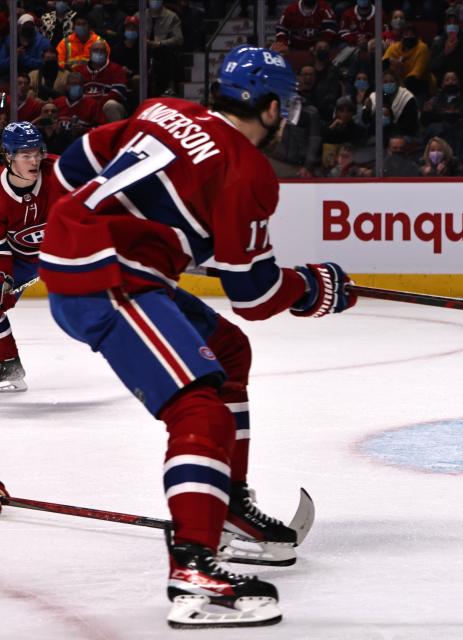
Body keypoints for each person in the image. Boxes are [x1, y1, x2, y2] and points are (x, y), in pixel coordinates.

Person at [38, 45, 356, 627]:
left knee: (229, 350)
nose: (284, 118)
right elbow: (255, 294)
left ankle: (227, 507)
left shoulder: (164, 109)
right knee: (201, 414)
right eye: (281, 106)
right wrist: (315, 288)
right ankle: (196, 573)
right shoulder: (249, 170)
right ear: (264, 106)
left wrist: (77, 227)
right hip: (110, 277)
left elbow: (73, 164)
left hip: (100, 261)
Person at [0, 122, 68, 391]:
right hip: (21, 262)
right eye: (25, 155)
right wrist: (4, 277)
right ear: (8, 156)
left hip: (65, 252)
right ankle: (9, 367)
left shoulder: (59, 172)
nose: (34, 160)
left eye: (37, 153)